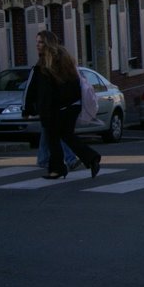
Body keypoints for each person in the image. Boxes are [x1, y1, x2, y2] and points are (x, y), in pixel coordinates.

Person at [22, 30, 101, 180]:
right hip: (72, 105)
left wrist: (27, 109)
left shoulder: (42, 67)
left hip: (55, 109)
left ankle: (57, 169)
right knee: (66, 136)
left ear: (48, 44)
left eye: (40, 42)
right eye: (37, 42)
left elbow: (31, 90)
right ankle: (91, 158)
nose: (37, 45)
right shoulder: (66, 61)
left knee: (53, 138)